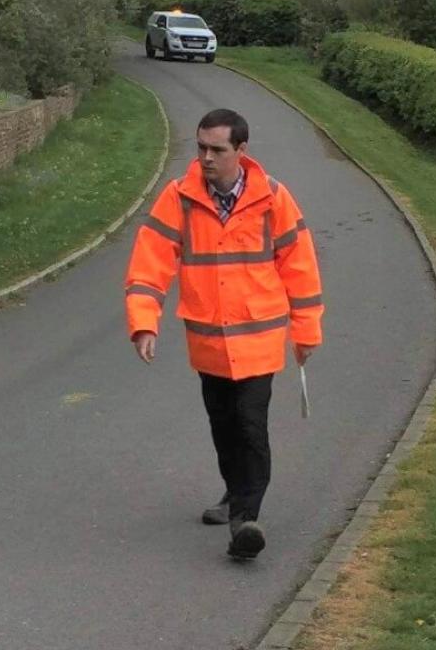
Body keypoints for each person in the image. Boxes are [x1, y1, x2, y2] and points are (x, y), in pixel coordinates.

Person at [124, 108, 324, 560]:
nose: (206, 158)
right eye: (201, 147)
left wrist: (306, 331)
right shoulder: (179, 197)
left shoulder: (273, 198)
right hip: (209, 342)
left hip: (259, 340)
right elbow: (149, 263)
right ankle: (235, 494)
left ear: (241, 151)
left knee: (251, 427)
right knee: (224, 426)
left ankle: (245, 523)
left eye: (217, 149)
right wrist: (143, 322)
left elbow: (301, 267)